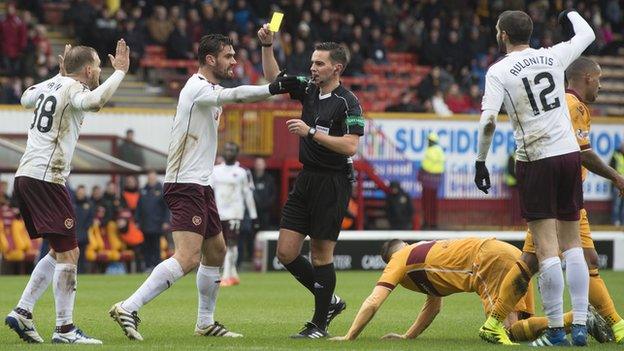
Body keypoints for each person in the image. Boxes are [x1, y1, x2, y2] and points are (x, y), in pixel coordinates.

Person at [108, 33, 300, 341]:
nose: (234, 61)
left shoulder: (209, 89)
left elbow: (231, 95)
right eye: (228, 56)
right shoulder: (197, 87)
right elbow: (235, 96)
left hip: (200, 182)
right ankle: (128, 306)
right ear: (210, 60)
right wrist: (272, 89)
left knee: (217, 251)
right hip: (185, 182)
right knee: (188, 257)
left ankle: (205, 322)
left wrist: (270, 64)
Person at [481, 57, 624, 346]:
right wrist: (617, 177)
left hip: (564, 196)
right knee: (537, 260)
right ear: (586, 78)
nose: (600, 85)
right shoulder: (572, 107)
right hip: (560, 198)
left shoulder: (574, 106)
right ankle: (499, 322)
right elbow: (581, 153)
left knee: (559, 259)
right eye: (598, 79)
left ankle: (612, 325)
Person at [474, 10, 595, 346]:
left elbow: (487, 122)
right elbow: (587, 34)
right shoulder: (552, 55)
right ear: (529, 32)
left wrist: (480, 161)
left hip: (536, 159)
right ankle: (581, 325)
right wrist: (569, 14)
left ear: (502, 34)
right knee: (574, 245)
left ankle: (557, 329)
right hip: (569, 155)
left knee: (546, 249)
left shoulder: (498, 71)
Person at [5, 39, 129, 344]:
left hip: (27, 176)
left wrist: (58, 74)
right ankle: (64, 329)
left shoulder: (48, 87)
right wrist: (121, 73)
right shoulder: (76, 89)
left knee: (59, 250)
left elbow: (23, 98)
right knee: (70, 252)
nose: (102, 70)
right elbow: (95, 102)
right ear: (88, 69)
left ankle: (23, 312)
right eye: (100, 66)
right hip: (47, 177)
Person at [258, 24, 364, 338]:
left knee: (320, 255)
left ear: (337, 68)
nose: (312, 67)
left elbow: (350, 146)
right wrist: (268, 46)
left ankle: (319, 324)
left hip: (333, 183)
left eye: (319, 63)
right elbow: (273, 80)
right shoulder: (308, 88)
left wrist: (312, 132)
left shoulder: (348, 103)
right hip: (307, 179)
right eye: (312, 62)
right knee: (286, 253)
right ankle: (329, 302)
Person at [330, 238, 601, 342]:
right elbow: (434, 305)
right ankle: (578, 320)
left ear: (389, 258)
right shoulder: (422, 251)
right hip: (506, 253)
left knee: (502, 332)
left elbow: (373, 301)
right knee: (520, 330)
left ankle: (579, 319)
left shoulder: (399, 260)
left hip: (485, 262)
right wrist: (408, 336)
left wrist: (349, 336)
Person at [210, 142, 257, 286]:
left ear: (237, 153)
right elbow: (209, 192)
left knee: (231, 244)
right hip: (219, 213)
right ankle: (234, 273)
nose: (229, 152)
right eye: (227, 149)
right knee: (224, 244)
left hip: (235, 213)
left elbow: (248, 195)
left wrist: (254, 216)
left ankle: (226, 275)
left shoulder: (243, 172)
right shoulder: (215, 171)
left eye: (232, 150)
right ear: (223, 152)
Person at [135, 170, 170, 272]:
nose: (151, 180)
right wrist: (137, 220)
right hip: (145, 223)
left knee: (156, 245)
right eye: (149, 178)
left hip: (157, 223)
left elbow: (166, 208)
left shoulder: (161, 190)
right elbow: (139, 207)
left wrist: (165, 221)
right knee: (146, 246)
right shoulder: (142, 191)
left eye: (152, 177)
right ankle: (148, 266)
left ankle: (157, 266)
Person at [418, 132, 445, 229]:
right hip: (435, 181)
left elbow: (426, 166)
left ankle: (427, 221)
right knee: (432, 203)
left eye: (429, 141)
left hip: (428, 180)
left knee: (427, 203)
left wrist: (421, 172)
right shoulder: (440, 151)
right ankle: (432, 222)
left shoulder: (431, 151)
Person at [73, 185, 94, 274]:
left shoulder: (89, 205)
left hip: (84, 235)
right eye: (79, 192)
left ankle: (82, 272)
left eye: (82, 192)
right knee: (73, 256)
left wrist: (86, 228)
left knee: (83, 255)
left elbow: (91, 219)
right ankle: (73, 272)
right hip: (73, 235)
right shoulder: (72, 204)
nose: (81, 194)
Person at [252, 157, 276, 231]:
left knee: (264, 231)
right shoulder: (250, 179)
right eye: (257, 164)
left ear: (264, 165)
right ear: (255, 166)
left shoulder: (269, 179)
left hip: (266, 212)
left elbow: (273, 195)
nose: (259, 166)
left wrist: (267, 205)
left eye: (261, 164)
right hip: (253, 212)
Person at [609, 143, 624, 225]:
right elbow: (611, 170)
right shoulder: (616, 155)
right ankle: (615, 222)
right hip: (617, 185)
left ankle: (622, 222)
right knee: (616, 205)